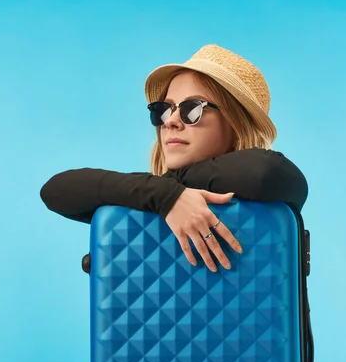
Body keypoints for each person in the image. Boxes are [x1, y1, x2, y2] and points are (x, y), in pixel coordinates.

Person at [40, 44, 308, 273]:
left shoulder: (271, 187)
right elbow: (56, 190)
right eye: (164, 109)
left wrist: (171, 188)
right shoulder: (153, 196)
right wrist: (166, 194)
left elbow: (266, 172)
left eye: (192, 109)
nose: (171, 121)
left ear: (236, 125)